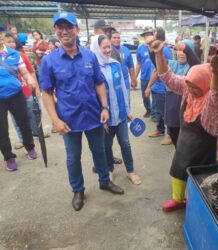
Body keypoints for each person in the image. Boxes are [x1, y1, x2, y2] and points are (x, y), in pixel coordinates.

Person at [40, 12, 124, 211]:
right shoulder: (49, 61)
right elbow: (46, 93)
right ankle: (78, 190)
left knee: (100, 151)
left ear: (77, 30)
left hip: (94, 116)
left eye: (69, 27)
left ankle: (104, 181)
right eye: (60, 27)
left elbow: (99, 83)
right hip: (68, 120)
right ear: (55, 32)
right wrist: (55, 120)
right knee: (73, 157)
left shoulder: (89, 56)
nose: (65, 31)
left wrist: (104, 107)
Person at [150, 39, 218, 212]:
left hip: (212, 147)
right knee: (179, 167)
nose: (191, 90)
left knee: (212, 181)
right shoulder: (187, 88)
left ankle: (204, 204)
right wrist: (158, 54)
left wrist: (215, 70)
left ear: (205, 83)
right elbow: (167, 77)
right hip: (188, 143)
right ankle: (177, 199)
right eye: (189, 85)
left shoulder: (213, 100)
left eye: (195, 87)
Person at [91, 34, 142, 185]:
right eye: (104, 47)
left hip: (120, 114)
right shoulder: (93, 69)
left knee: (125, 144)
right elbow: (94, 95)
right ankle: (109, 170)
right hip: (105, 117)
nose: (108, 50)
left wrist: (127, 110)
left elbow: (123, 89)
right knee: (106, 146)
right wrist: (100, 118)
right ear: (96, 48)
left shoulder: (115, 64)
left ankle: (130, 171)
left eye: (109, 47)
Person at [0, 24, 38, 171]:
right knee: (2, 129)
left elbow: (25, 72)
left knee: (24, 122)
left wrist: (30, 79)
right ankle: (9, 157)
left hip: (16, 94)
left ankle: (30, 147)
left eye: (1, 32)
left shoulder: (14, 54)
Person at [91, 20, 123, 166]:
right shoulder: (89, 54)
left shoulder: (113, 50)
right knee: (101, 140)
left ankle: (108, 159)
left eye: (109, 31)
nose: (108, 33)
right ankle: (99, 164)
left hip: (112, 99)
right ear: (97, 30)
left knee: (107, 140)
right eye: (105, 30)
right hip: (99, 104)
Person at [5, 33, 44, 150]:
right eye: (7, 41)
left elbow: (31, 72)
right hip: (12, 95)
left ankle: (37, 133)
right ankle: (22, 139)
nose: (10, 43)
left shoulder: (21, 55)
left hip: (26, 91)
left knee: (32, 113)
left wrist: (36, 88)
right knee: (16, 119)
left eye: (12, 41)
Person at [165, 42, 200, 147]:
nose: (182, 53)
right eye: (179, 50)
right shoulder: (171, 64)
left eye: (185, 51)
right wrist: (154, 52)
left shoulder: (194, 68)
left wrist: (187, 49)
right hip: (172, 110)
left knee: (188, 144)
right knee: (175, 138)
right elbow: (158, 66)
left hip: (187, 114)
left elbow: (196, 65)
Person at [145, 27, 173, 142]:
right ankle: (160, 129)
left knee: (165, 112)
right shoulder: (158, 49)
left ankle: (170, 135)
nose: (149, 44)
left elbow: (158, 71)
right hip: (158, 87)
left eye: (151, 41)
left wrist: (148, 87)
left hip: (162, 87)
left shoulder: (162, 50)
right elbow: (155, 69)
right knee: (160, 112)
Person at [110, 31, 137, 98]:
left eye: (118, 38)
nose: (116, 39)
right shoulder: (107, 50)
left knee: (126, 103)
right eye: (114, 38)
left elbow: (131, 66)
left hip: (125, 82)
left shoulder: (126, 50)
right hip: (112, 82)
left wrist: (133, 80)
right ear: (110, 39)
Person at [136, 27, 154, 118]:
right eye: (146, 35)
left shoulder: (156, 46)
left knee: (155, 97)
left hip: (155, 78)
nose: (147, 36)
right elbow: (138, 64)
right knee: (145, 96)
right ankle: (148, 110)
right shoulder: (140, 48)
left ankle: (155, 114)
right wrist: (134, 78)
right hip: (144, 77)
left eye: (149, 34)